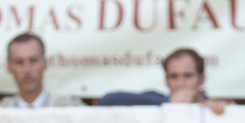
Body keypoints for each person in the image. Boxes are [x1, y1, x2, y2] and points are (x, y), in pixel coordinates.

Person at [98, 48, 230, 114]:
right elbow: (108, 100)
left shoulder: (213, 106)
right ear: (166, 80)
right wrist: (167, 102)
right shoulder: (157, 101)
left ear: (202, 79)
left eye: (188, 76)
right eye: (174, 76)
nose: (180, 84)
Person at [0, 33, 83, 109]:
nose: (27, 69)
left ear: (45, 63)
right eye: (19, 62)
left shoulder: (70, 108)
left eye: (33, 61)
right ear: (9, 66)